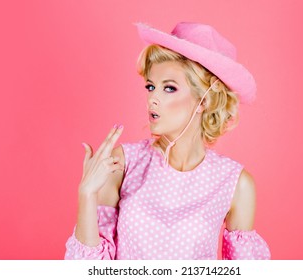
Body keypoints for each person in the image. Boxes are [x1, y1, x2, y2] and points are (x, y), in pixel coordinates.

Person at [64, 22, 271, 260]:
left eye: (169, 88)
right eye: (151, 86)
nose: (153, 98)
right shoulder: (123, 163)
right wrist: (87, 193)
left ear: (204, 100)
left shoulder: (235, 183)